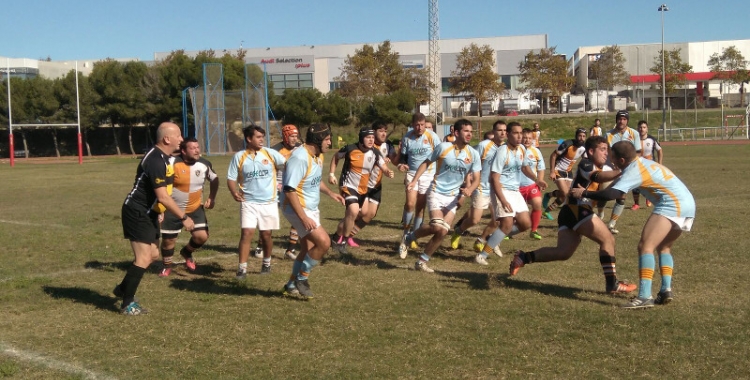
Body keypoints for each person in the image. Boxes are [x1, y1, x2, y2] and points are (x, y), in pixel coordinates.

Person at [570, 141, 695, 309]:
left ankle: (644, 296)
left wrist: (584, 192)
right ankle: (665, 290)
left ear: (621, 160)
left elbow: (612, 193)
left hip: (672, 204)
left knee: (645, 246)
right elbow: (615, 185)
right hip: (688, 203)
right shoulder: (642, 163)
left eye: (613, 157)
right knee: (664, 247)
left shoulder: (633, 170)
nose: (611, 160)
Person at [509, 136, 637, 295]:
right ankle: (612, 284)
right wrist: (620, 172)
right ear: (591, 151)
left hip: (570, 211)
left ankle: (524, 257)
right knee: (608, 239)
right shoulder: (587, 163)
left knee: (563, 252)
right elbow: (598, 177)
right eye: (602, 149)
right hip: (578, 208)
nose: (606, 153)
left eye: (607, 150)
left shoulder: (602, 166)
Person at [115, 122, 194, 315]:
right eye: (179, 136)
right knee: (142, 258)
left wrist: (158, 211)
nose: (181, 139)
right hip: (136, 211)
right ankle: (127, 303)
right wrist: (183, 217)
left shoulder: (164, 158)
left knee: (153, 255)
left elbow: (158, 194)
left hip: (148, 212)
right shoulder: (156, 161)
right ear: (167, 139)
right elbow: (164, 197)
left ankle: (122, 289)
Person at [405, 119, 481, 272]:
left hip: (453, 197)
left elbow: (477, 178)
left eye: (471, 132)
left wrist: (469, 189)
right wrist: (414, 181)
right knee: (436, 226)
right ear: (457, 133)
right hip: (436, 191)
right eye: (466, 131)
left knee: (443, 231)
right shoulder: (443, 147)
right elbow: (426, 163)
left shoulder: (473, 154)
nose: (469, 134)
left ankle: (421, 261)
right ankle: (410, 237)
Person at [281, 124, 345, 298]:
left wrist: (331, 193)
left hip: (310, 207)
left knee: (307, 248)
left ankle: (291, 284)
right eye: (327, 139)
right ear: (317, 140)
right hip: (297, 208)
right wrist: (303, 218)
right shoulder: (300, 158)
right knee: (324, 242)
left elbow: (314, 180)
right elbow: (289, 189)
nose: (330, 143)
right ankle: (302, 278)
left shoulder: (318, 155)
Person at [476, 122, 544, 266]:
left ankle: (494, 238)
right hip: (501, 190)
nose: (519, 136)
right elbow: (494, 178)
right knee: (506, 224)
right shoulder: (502, 151)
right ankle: (482, 255)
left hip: (514, 191)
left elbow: (525, 167)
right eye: (516, 133)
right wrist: (503, 200)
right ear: (508, 135)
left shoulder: (521, 150)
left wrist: (537, 180)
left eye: (521, 133)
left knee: (525, 224)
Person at [227, 125, 287, 279]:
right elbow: (231, 178)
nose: (262, 140)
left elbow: (286, 166)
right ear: (249, 139)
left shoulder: (271, 153)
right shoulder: (239, 157)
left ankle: (266, 263)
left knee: (266, 235)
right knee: (246, 233)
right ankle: (242, 269)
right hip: (249, 201)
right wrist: (234, 192)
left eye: (263, 137)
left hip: (269, 202)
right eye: (258, 137)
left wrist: (283, 182)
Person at [158, 137, 219, 277]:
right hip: (172, 208)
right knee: (169, 241)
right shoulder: (171, 163)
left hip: (195, 208)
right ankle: (167, 266)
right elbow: (160, 187)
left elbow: (214, 179)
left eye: (198, 147)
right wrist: (160, 209)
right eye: (193, 148)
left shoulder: (204, 164)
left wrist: (212, 197)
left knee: (201, 236)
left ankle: (186, 252)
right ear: (183, 151)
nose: (197, 150)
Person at [329, 125, 394, 254]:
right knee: (353, 210)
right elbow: (336, 157)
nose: (371, 140)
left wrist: (388, 172)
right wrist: (331, 174)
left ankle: (336, 236)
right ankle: (343, 243)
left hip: (363, 190)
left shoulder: (375, 153)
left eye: (372, 137)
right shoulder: (350, 149)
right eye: (368, 137)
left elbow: (383, 166)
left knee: (361, 213)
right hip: (348, 186)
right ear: (361, 138)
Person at [450, 120, 506, 256]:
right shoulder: (483, 146)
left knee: (499, 221)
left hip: (497, 189)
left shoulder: (506, 148)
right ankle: (458, 231)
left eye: (505, 130)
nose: (503, 133)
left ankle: (481, 240)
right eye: (500, 130)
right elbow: (470, 161)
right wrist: (468, 182)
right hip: (481, 187)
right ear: (493, 132)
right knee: (475, 219)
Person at [395, 113, 440, 259]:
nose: (420, 127)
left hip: (428, 175)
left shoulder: (432, 136)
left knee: (420, 207)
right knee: (410, 203)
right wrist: (402, 164)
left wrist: (438, 174)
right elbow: (403, 156)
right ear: (412, 125)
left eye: (422, 124)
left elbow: (441, 155)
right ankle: (405, 234)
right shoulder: (407, 137)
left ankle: (413, 236)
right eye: (417, 125)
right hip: (412, 174)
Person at [603, 110, 642, 234]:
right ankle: (599, 213)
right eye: (619, 118)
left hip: (626, 170)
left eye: (624, 119)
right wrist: (612, 162)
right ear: (616, 120)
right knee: (603, 193)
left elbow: (639, 152)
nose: (621, 121)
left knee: (622, 195)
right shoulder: (608, 134)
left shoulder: (634, 133)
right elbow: (604, 151)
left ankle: (611, 224)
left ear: (627, 121)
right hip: (609, 168)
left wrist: (629, 165)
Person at [270, 124, 303, 259]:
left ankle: (290, 249)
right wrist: (275, 184)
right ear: (285, 136)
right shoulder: (275, 150)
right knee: (270, 217)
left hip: (292, 188)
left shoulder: (301, 148)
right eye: (292, 136)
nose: (295, 139)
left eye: (296, 136)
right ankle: (261, 245)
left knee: (297, 216)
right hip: (276, 187)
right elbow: (269, 169)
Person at [542, 128, 587, 219]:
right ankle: (548, 203)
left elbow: (585, 160)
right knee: (565, 193)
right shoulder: (567, 144)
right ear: (576, 136)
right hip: (558, 169)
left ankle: (547, 204)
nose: (581, 138)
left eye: (583, 136)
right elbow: (553, 155)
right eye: (579, 136)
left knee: (567, 194)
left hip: (568, 172)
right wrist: (552, 171)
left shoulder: (584, 147)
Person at [519, 128, 546, 240]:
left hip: (531, 185)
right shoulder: (516, 150)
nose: (527, 140)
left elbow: (541, 168)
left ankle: (534, 230)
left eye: (529, 138)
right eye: (525, 138)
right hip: (516, 187)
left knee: (537, 203)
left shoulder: (536, 151)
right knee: (516, 211)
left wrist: (539, 181)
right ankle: (507, 230)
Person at [631, 120, 662, 209]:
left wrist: (660, 164)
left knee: (649, 183)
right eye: (640, 127)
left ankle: (649, 198)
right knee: (635, 184)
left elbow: (659, 150)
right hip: (637, 166)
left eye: (644, 127)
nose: (642, 129)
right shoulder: (634, 140)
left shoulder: (652, 139)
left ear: (647, 129)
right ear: (637, 129)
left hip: (649, 166)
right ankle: (636, 204)